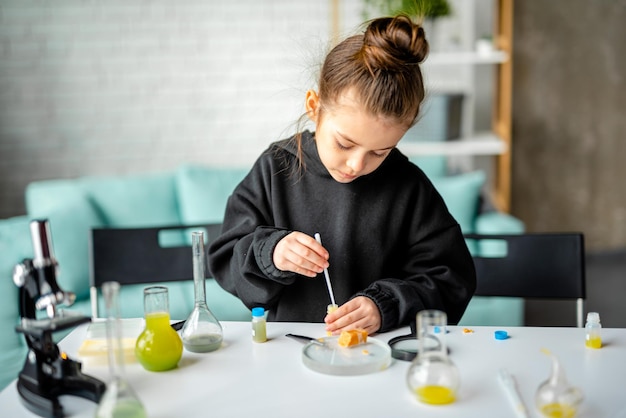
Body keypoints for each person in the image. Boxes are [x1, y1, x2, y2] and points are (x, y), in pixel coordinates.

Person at [208, 15, 476, 335]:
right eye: (344, 143)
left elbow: (450, 279)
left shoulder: (409, 186)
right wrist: (272, 252)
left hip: (381, 360)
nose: (356, 165)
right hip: (289, 356)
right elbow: (226, 259)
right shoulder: (274, 168)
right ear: (314, 107)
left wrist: (386, 305)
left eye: (380, 152)